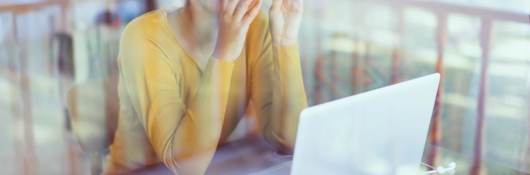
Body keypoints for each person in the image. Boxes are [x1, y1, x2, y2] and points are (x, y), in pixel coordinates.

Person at [103, 0, 307, 174]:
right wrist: (225, 53)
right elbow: (184, 165)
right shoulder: (142, 36)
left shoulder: (255, 27)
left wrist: (285, 41)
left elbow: (289, 141)